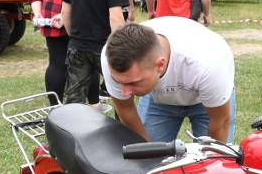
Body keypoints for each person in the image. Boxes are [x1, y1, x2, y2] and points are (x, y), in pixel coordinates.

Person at [101, 18, 235, 143]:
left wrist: (211, 161)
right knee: (147, 162)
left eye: (133, 83)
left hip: (205, 100)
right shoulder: (110, 59)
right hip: (158, 99)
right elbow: (125, 109)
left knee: (212, 162)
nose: (124, 92)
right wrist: (149, 155)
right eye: (119, 82)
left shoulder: (207, 64)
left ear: (159, 65)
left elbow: (220, 121)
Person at [61, 0, 128, 106]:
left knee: (73, 98)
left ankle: (69, 130)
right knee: (121, 95)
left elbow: (65, 13)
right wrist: (121, 49)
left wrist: (74, 37)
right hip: (104, 48)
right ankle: (123, 132)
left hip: (77, 47)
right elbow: (116, 18)